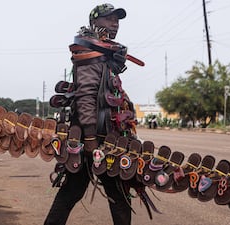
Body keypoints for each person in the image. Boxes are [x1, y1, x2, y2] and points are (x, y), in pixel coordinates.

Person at [45, 4, 137, 225]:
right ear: (95, 22)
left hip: (100, 135)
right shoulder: (89, 53)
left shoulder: (102, 54)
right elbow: (85, 97)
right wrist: (89, 140)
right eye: (109, 19)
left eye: (117, 20)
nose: (115, 24)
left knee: (72, 192)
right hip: (97, 138)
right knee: (118, 194)